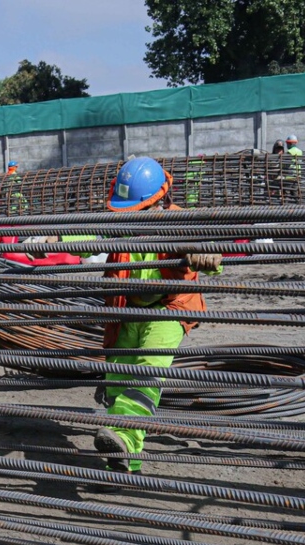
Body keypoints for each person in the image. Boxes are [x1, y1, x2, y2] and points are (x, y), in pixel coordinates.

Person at [94, 157, 221, 474]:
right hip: (127, 310)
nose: (129, 216)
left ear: (157, 202)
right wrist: (55, 238)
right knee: (117, 383)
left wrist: (205, 251)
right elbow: (89, 236)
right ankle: (125, 463)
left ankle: (124, 436)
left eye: (136, 210)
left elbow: (203, 243)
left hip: (168, 309)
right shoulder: (122, 224)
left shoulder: (177, 220)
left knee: (147, 374)